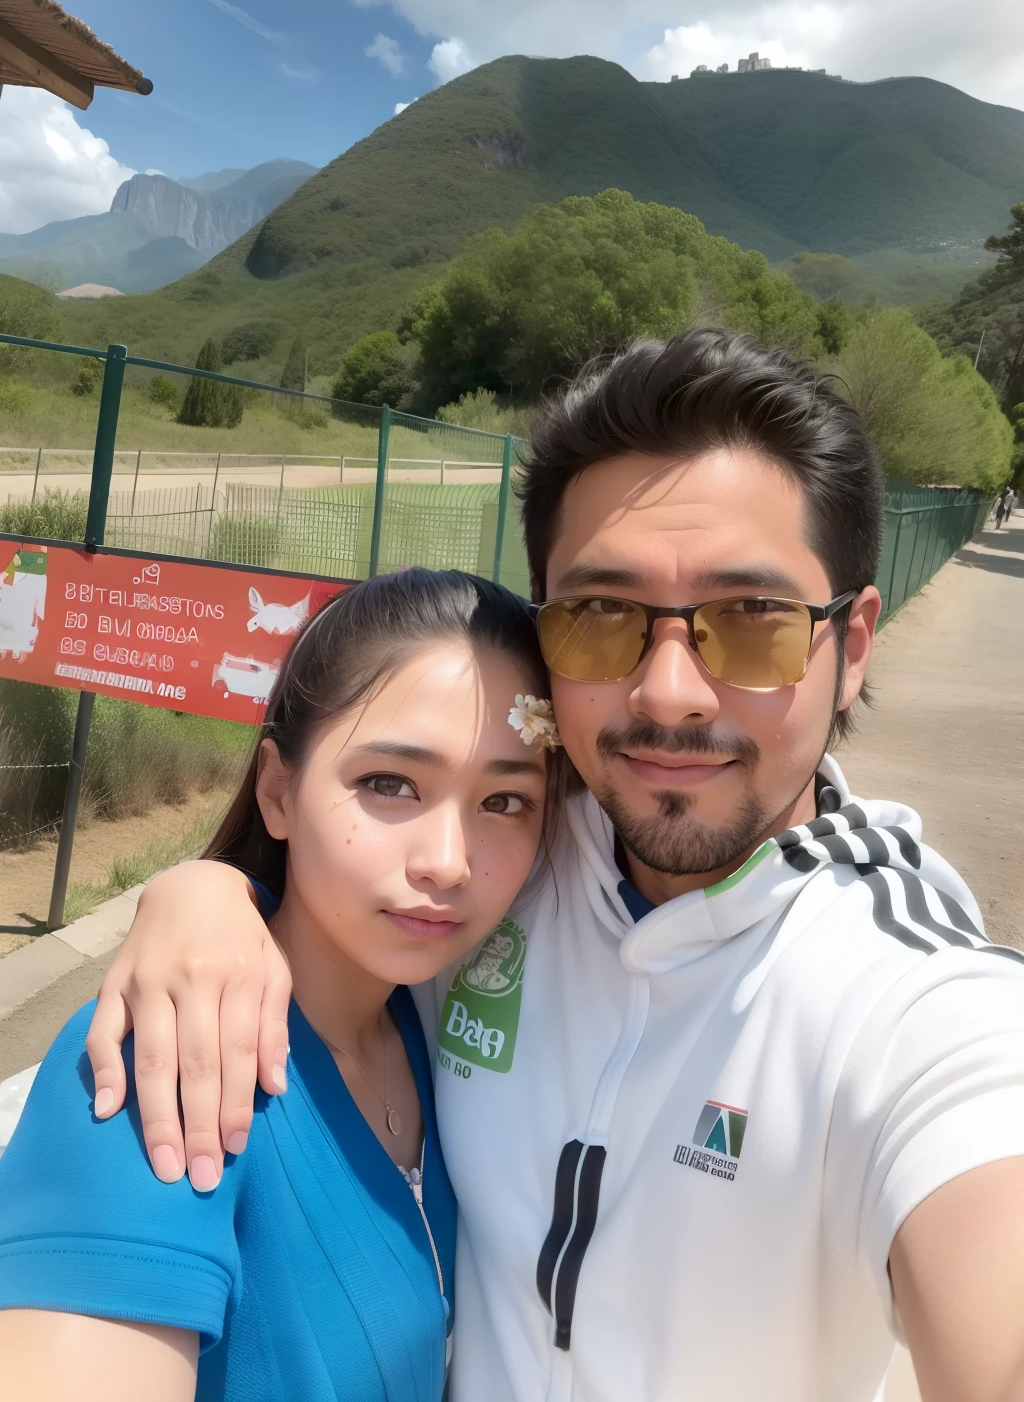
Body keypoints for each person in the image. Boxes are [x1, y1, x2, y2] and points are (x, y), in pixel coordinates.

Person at [78, 329, 1024, 1402]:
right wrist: (203, 895)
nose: (669, 693)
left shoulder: (910, 1004)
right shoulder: (504, 847)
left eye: (752, 622)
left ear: (852, 646)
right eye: (603, 618)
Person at [0, 569, 557, 1402]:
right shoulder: (162, 1066)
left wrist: (202, 886)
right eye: (390, 785)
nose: (448, 861)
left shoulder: (432, 1027)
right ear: (277, 791)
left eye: (505, 800)